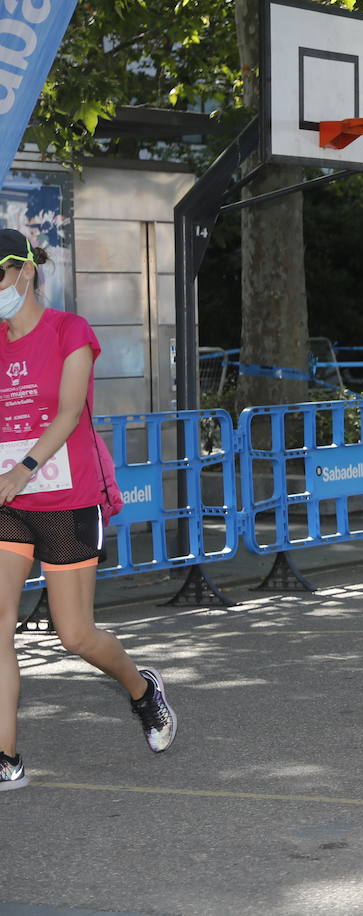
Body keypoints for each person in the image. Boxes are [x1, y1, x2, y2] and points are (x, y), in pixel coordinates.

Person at [0, 229, 177, 791]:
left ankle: (142, 690)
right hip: (7, 504)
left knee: (73, 635)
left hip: (65, 498)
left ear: (23, 273)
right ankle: (6, 757)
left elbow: (70, 412)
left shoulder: (68, 331)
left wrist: (20, 471)